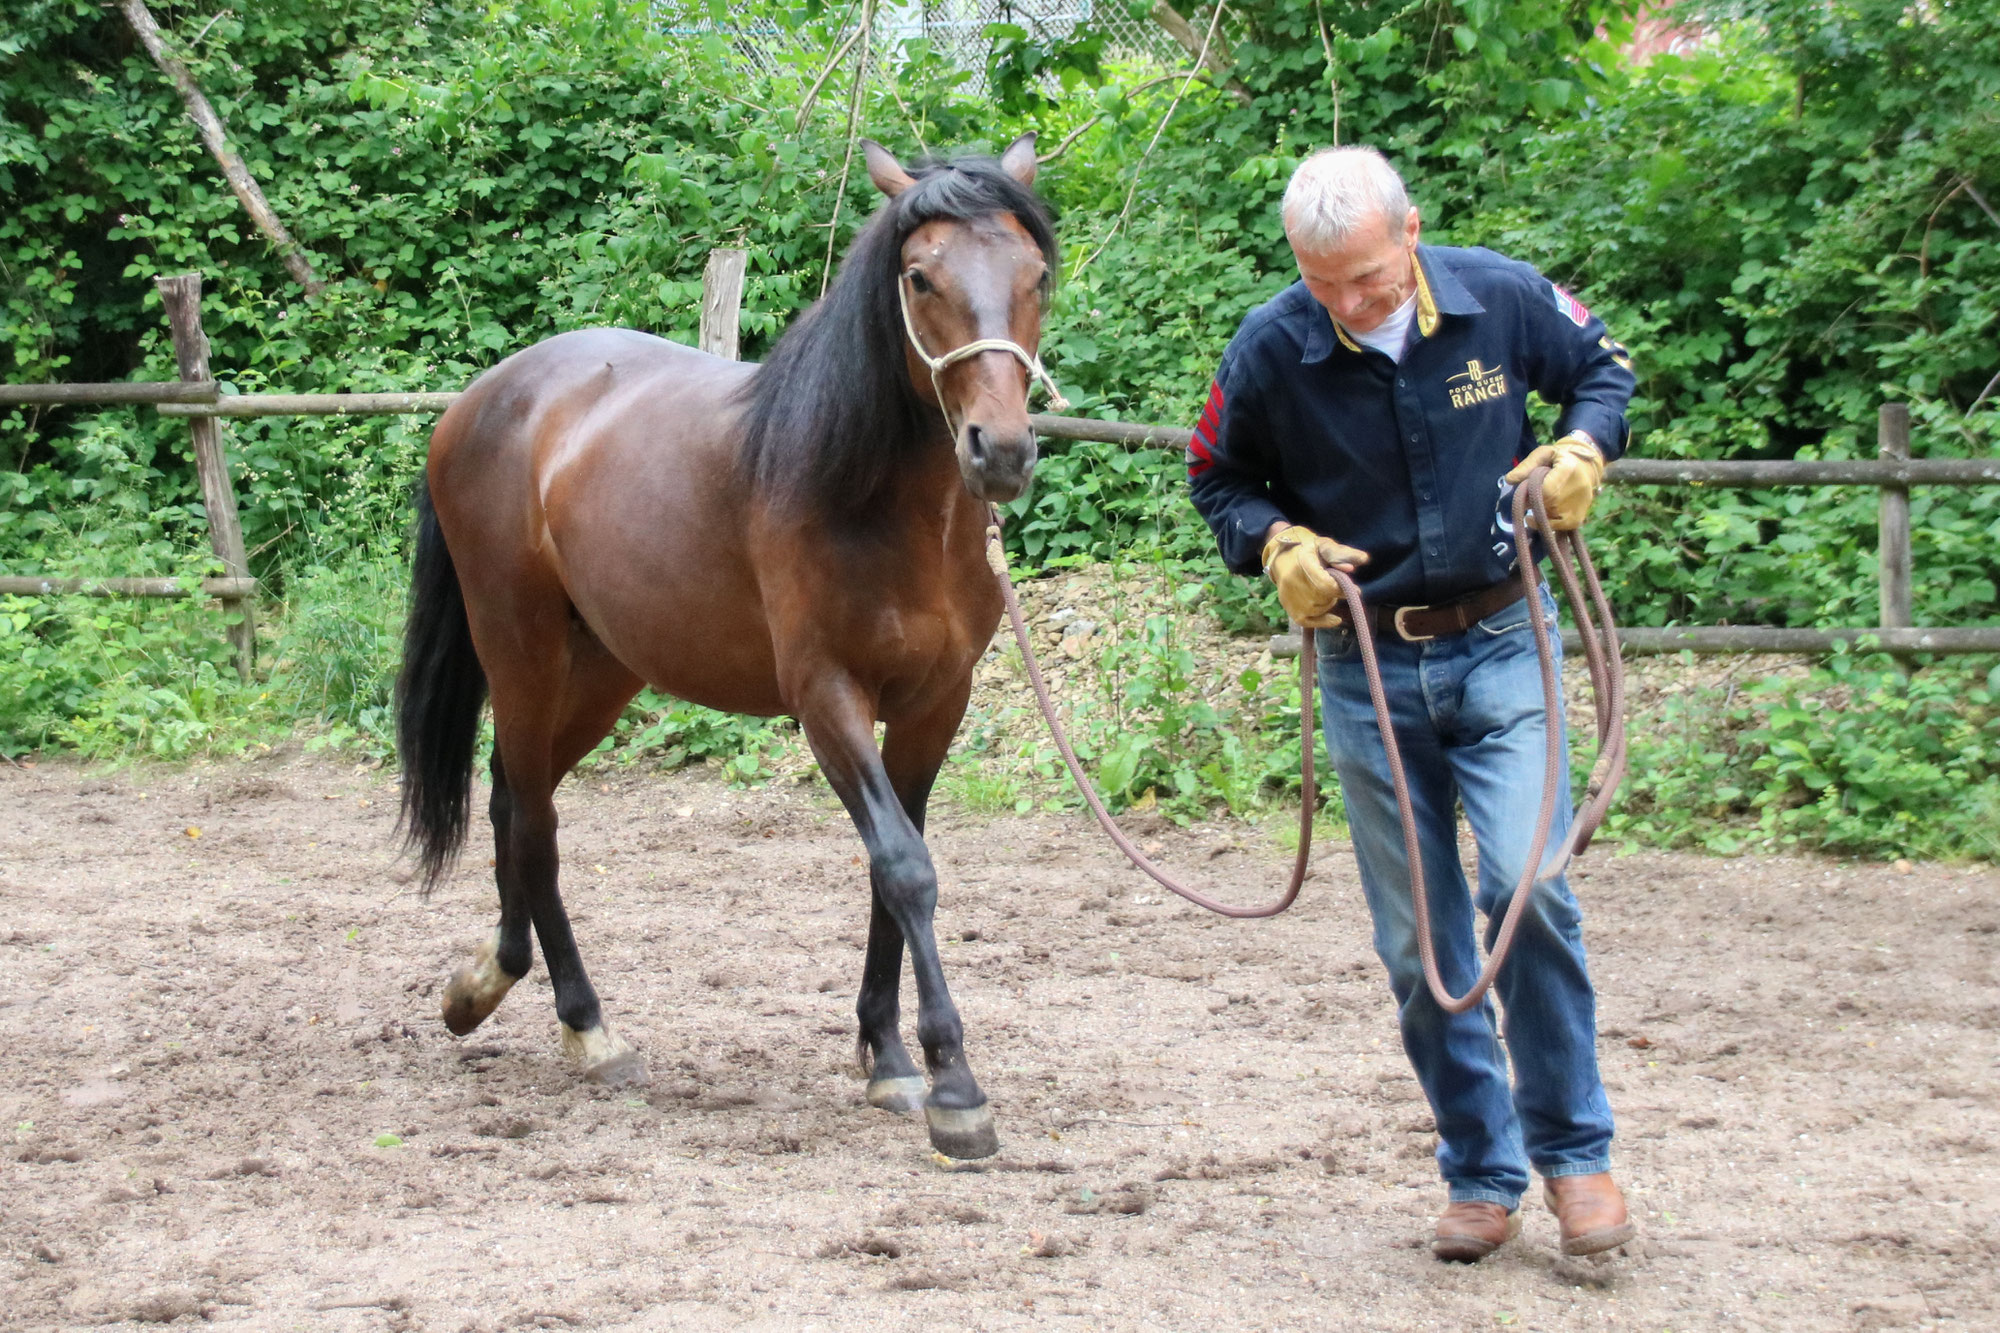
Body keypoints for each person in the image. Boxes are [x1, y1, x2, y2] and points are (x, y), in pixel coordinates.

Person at [1186, 145, 1639, 1263]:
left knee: (1528, 887)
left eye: (1367, 279)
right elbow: (1216, 475)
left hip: (1503, 642)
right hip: (1366, 667)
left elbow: (1604, 369)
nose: (1346, 303)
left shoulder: (1501, 297)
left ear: (1410, 232)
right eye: (1320, 281)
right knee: (1417, 940)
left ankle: (1576, 1158)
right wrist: (1271, 542)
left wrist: (1583, 445)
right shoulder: (1269, 346)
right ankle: (1479, 1173)